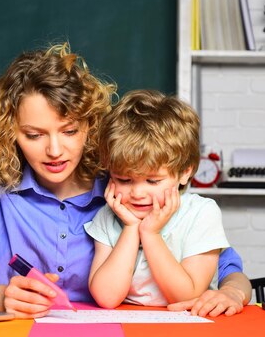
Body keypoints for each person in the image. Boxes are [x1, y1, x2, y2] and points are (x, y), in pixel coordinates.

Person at [0, 43, 251, 319]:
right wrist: (0, 296)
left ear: (91, 125)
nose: (55, 150)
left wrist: (232, 292)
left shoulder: (125, 180)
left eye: (70, 131)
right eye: (33, 135)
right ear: (9, 132)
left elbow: (225, 264)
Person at [85, 90, 230, 308]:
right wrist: (131, 228)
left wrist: (150, 234)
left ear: (184, 173)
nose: (137, 193)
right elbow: (106, 298)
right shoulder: (108, 216)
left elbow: (185, 296)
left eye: (152, 181)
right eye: (124, 180)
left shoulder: (201, 213)